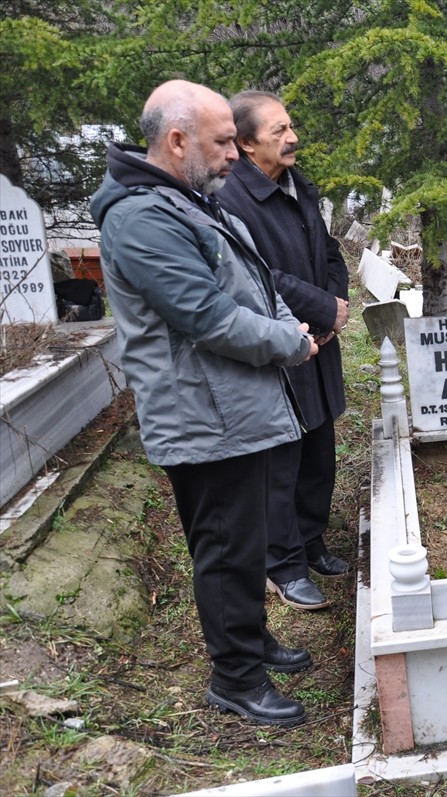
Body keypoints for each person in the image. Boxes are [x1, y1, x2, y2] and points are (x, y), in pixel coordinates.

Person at [90, 81, 318, 726]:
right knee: (225, 547)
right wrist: (288, 343)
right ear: (178, 140)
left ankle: (251, 640)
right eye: (223, 142)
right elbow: (207, 316)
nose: (234, 156)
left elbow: (257, 284)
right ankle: (235, 678)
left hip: (235, 408)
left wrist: (285, 327)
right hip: (202, 416)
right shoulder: (143, 218)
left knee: (246, 540)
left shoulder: (190, 201)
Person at [219, 91, 351, 611]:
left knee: (319, 447)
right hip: (281, 342)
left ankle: (312, 540)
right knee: (282, 460)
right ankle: (284, 563)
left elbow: (331, 252)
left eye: (290, 126)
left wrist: (336, 306)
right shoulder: (232, 200)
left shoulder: (298, 186)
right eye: (278, 131)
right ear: (248, 144)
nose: (292, 137)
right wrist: (320, 309)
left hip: (318, 338)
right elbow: (257, 277)